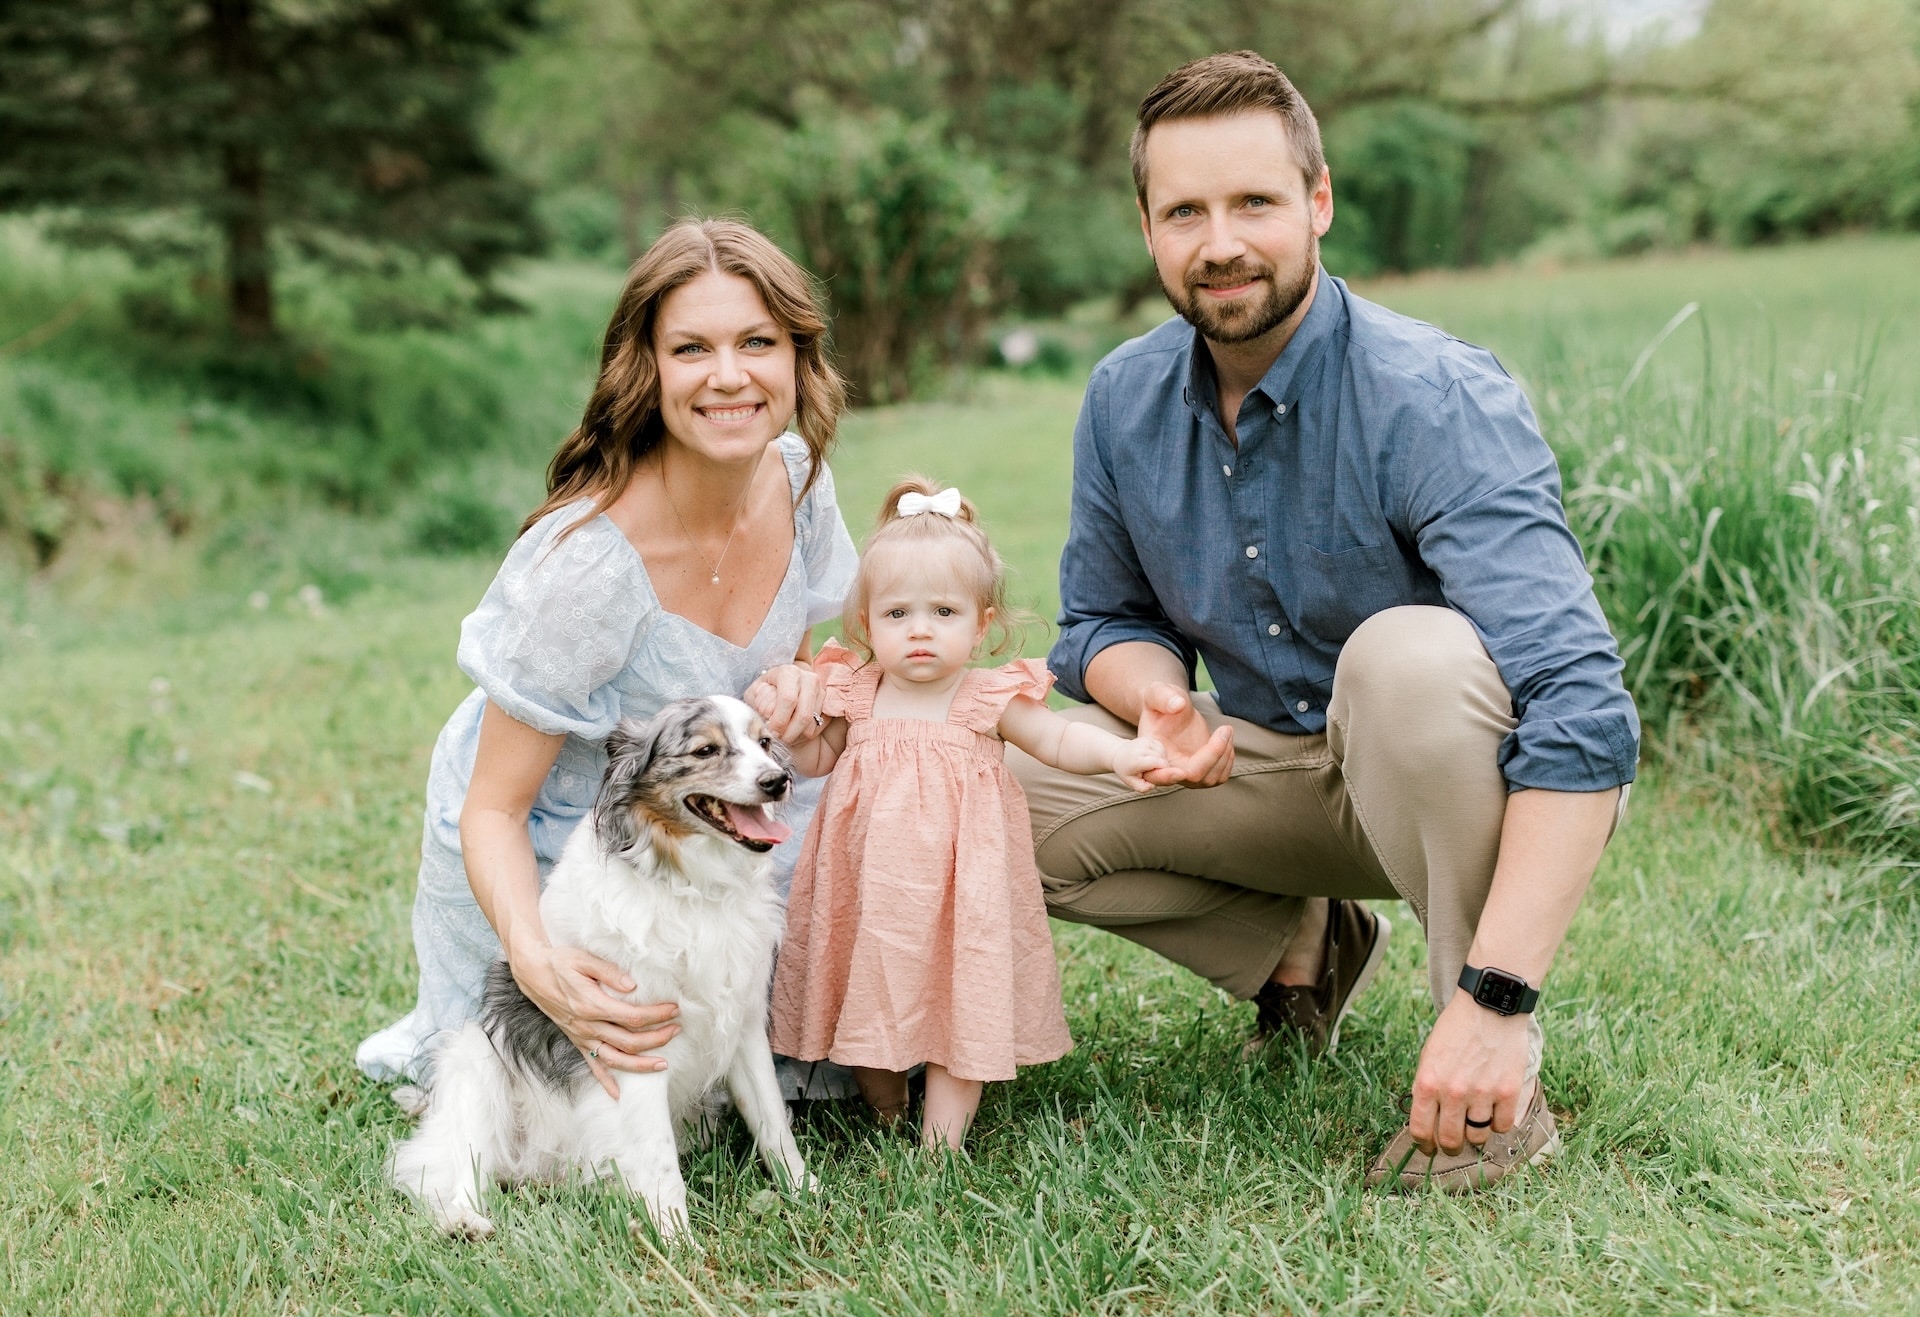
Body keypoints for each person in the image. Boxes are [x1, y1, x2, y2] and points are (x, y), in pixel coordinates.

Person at [1005, 51, 1639, 1191]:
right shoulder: (1121, 398)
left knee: (1405, 654)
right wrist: (1153, 695)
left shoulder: (1435, 395)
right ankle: (1304, 950)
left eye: (1254, 201)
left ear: (1319, 202)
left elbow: (1584, 707)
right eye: (1185, 210)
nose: (1221, 242)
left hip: (1446, 783)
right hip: (1268, 774)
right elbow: (1100, 618)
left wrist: (1501, 997)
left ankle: (1492, 1067)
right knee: (980, 789)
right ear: (1146, 228)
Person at [356, 218, 860, 1101]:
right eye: (692, 347)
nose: (731, 375)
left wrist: (809, 677)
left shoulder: (799, 477)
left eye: (757, 342)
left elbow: (820, 647)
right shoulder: (586, 565)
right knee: (581, 1082)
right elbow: (492, 809)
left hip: (724, 798)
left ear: (798, 359)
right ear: (647, 369)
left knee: (895, 820)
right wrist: (539, 956)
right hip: (568, 845)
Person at [759, 479, 1166, 1149]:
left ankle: (939, 1147)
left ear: (982, 624)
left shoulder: (987, 696)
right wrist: (791, 731)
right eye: (897, 615)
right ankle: (887, 1114)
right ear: (864, 624)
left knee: (960, 1005)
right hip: (871, 894)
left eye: (944, 611)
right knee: (868, 999)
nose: (920, 629)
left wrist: (1120, 755)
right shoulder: (858, 692)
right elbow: (815, 758)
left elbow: (1059, 739)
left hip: (959, 897)